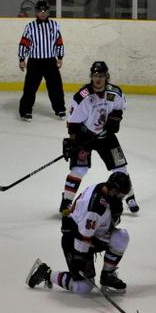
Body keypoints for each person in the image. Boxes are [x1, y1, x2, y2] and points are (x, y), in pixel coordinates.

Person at [27, 171, 132, 294]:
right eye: (121, 195)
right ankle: (45, 273)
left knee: (121, 237)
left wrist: (114, 217)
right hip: (75, 241)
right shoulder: (95, 209)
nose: (121, 198)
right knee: (84, 287)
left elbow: (104, 223)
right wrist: (80, 259)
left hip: (91, 235)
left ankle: (107, 276)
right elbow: (83, 237)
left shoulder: (104, 189)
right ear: (113, 190)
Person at [59, 60, 139, 215]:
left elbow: (119, 109)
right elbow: (73, 123)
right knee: (78, 169)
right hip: (85, 136)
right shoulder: (83, 96)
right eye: (95, 75)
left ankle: (130, 197)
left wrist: (114, 120)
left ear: (107, 76)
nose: (98, 79)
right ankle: (66, 201)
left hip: (106, 136)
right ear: (91, 76)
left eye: (101, 76)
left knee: (120, 168)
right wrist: (72, 142)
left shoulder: (115, 93)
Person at [17, 0, 66, 121]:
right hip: (35, 62)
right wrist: (22, 59)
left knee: (56, 87)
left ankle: (60, 109)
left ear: (48, 12)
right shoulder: (30, 27)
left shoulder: (54, 25)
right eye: (40, 11)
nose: (42, 13)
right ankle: (26, 111)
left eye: (45, 11)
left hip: (50, 61)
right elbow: (24, 43)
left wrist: (60, 57)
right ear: (36, 12)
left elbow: (59, 42)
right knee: (30, 88)